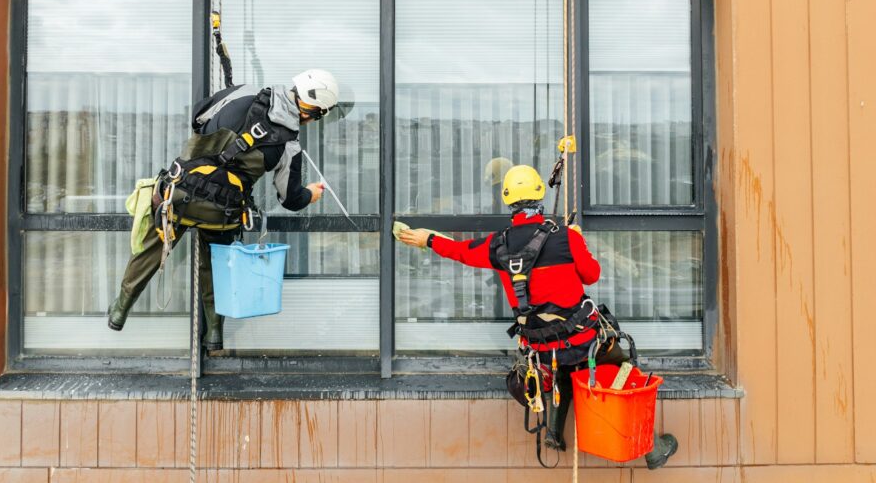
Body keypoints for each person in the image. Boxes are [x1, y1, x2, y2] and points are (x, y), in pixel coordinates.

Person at [397, 164, 678, 469]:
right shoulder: (565, 237)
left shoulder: (497, 245)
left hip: (540, 350)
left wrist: (428, 239)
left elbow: (461, 251)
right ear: (539, 195)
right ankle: (652, 450)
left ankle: (555, 433)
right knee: (622, 368)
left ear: (508, 201)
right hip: (585, 341)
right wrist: (577, 240)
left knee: (564, 369)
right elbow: (592, 275)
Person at [108, 69, 340, 351]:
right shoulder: (289, 144)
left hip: (180, 192)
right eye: (317, 116)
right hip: (222, 212)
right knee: (217, 265)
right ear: (312, 112)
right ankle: (214, 333)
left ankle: (120, 309)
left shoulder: (244, 92)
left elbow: (198, 117)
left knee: (154, 248)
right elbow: (290, 199)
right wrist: (310, 194)